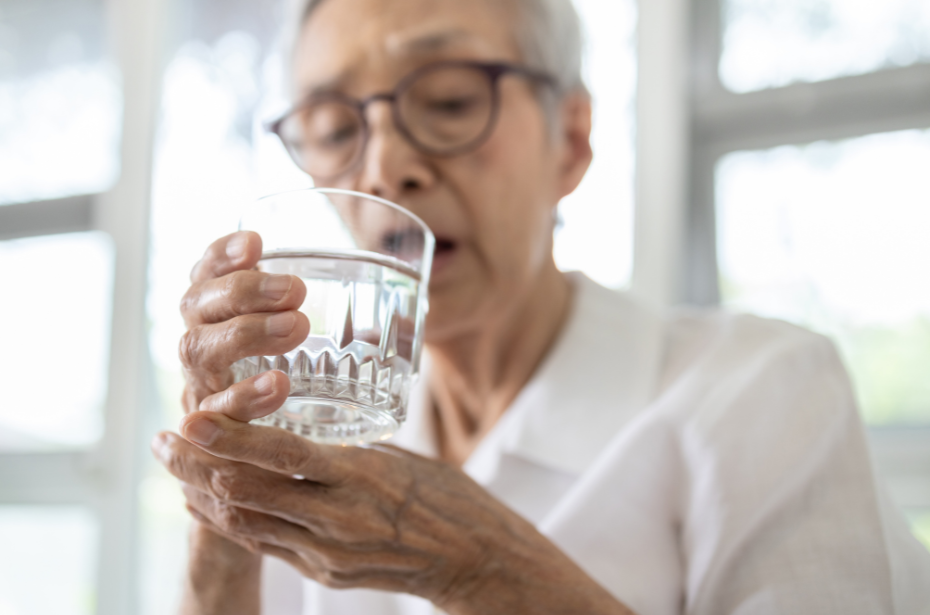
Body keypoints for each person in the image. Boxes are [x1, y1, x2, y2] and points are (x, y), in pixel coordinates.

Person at [152, 0, 930, 613]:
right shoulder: (316, 425)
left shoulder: (764, 391)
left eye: (451, 102)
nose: (386, 166)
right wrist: (220, 515)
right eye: (331, 127)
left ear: (572, 140)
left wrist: (486, 570)